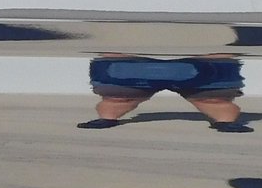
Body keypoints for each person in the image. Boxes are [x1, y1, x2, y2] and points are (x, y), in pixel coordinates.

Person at [79, 54, 250, 132]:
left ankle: (225, 122)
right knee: (117, 98)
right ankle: (107, 118)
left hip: (209, 64)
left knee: (215, 100)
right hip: (125, 64)